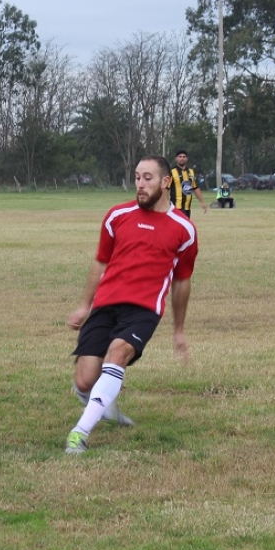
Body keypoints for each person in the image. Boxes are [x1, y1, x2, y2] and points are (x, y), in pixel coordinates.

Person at [64, 155, 198, 455]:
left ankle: (80, 433)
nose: (140, 184)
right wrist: (85, 305)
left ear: (165, 182)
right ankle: (103, 401)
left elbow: (181, 281)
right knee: (85, 379)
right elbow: (101, 261)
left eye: (148, 178)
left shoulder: (184, 229)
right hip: (105, 305)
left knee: (118, 354)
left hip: (143, 310)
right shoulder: (117, 215)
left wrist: (178, 330)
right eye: (137, 177)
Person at [168, 149, 208, 218]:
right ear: (176, 159)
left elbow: (195, 188)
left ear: (187, 159)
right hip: (176, 207)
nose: (182, 158)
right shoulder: (171, 172)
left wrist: (202, 202)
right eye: (180, 157)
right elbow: (165, 189)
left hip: (187, 207)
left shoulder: (191, 172)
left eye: (184, 157)